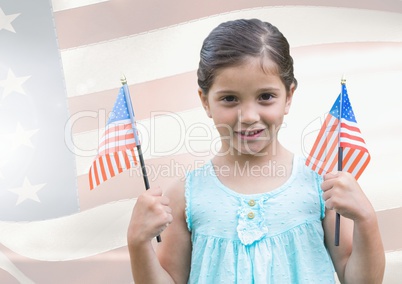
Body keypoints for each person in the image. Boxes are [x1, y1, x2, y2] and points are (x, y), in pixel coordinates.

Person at [127, 18, 385, 283]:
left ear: (289, 96)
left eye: (265, 97)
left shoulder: (323, 187)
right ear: (205, 101)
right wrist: (138, 243)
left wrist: (366, 219)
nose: (249, 115)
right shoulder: (185, 195)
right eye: (230, 98)